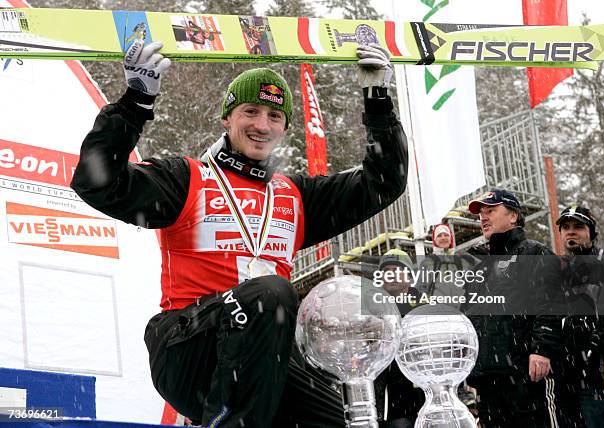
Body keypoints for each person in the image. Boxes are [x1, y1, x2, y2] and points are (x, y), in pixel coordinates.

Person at [70, 39, 408, 427]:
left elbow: (384, 182)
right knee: (271, 293)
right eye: (251, 111)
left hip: (260, 356)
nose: (262, 125)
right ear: (227, 119)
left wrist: (378, 100)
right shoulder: (188, 178)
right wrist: (134, 104)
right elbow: (99, 183)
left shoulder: (296, 196)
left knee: (341, 422)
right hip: (188, 348)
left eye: (274, 116)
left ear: (284, 128)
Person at [462, 189, 564, 427]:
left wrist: (542, 349)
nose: (483, 217)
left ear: (513, 216)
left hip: (527, 373)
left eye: (491, 210)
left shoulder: (534, 253)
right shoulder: (477, 265)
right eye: (481, 213)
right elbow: (471, 318)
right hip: (489, 378)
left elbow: (550, 304)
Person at [556, 205, 604, 427]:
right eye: (566, 227)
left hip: (599, 370)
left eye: (578, 226)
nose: (571, 231)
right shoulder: (556, 270)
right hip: (567, 375)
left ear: (591, 232)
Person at [373, 249, 424, 428]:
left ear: (409, 276)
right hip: (386, 394)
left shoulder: (424, 305)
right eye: (387, 271)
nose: (391, 275)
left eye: (397, 270)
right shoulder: (373, 307)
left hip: (418, 391)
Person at [416, 224, 474, 307]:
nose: (443, 238)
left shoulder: (462, 260)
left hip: (462, 312)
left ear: (451, 238)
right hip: (439, 312)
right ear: (434, 240)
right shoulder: (428, 262)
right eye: (439, 236)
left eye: (446, 235)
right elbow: (420, 290)